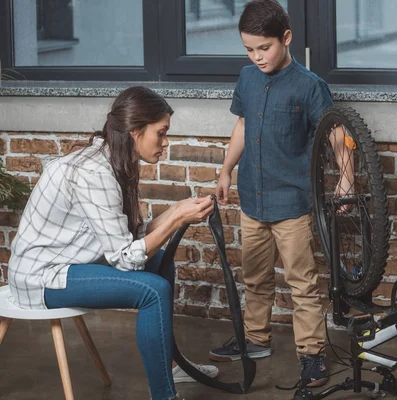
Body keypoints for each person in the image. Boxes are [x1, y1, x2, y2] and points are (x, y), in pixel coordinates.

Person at [8, 86, 218, 400]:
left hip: (70, 263)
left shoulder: (116, 159)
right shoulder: (95, 172)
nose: (165, 142)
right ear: (135, 131)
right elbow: (124, 258)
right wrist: (175, 220)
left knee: (160, 261)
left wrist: (176, 211)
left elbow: (129, 236)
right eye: (160, 133)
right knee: (152, 289)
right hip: (41, 276)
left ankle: (168, 364)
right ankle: (165, 395)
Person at [208, 0, 352, 388]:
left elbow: (338, 134)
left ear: (285, 38)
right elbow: (241, 126)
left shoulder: (310, 85)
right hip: (252, 201)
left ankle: (312, 356)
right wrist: (225, 170)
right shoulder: (247, 78)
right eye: (249, 49)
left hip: (292, 205)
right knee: (254, 278)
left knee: (302, 285)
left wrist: (347, 178)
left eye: (264, 48)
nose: (257, 56)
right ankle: (255, 340)